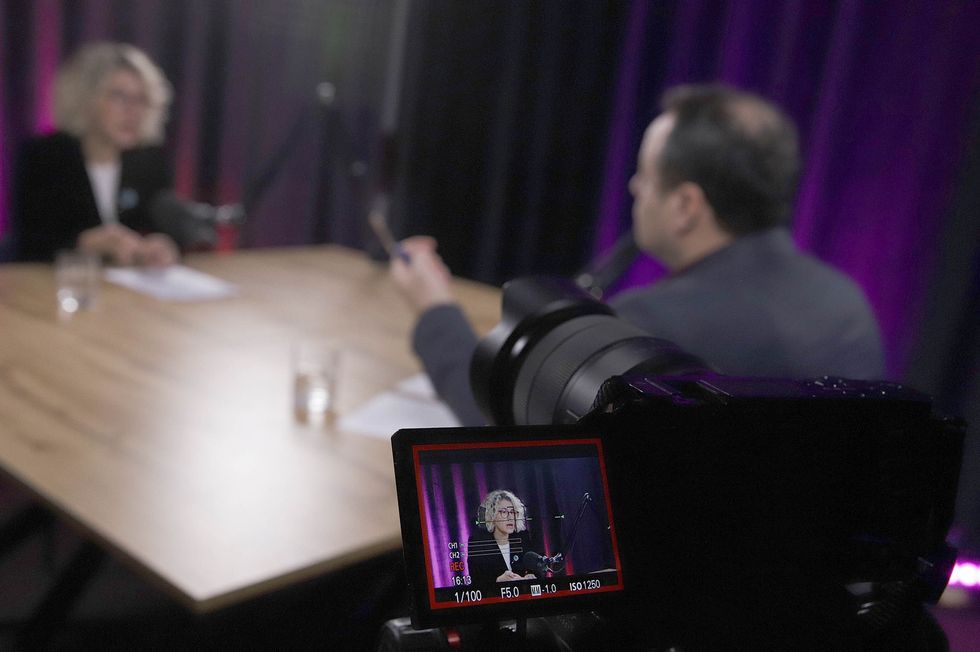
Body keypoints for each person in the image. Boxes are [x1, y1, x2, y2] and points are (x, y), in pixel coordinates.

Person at [390, 83, 885, 426]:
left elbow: (499, 415)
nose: (633, 187)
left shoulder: (649, 326)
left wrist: (435, 308)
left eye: (646, 176)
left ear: (686, 206)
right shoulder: (847, 302)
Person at [10, 42, 178, 265]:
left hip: (131, 285)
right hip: (59, 283)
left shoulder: (150, 161)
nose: (133, 111)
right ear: (86, 99)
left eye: (141, 99)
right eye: (119, 96)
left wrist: (161, 244)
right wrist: (85, 243)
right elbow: (30, 244)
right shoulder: (45, 157)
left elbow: (162, 227)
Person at [466, 489, 537, 587]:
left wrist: (530, 577)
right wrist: (497, 581)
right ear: (492, 516)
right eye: (504, 512)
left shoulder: (523, 538)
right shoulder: (478, 544)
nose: (510, 517)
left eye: (512, 512)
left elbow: (538, 570)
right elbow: (476, 581)